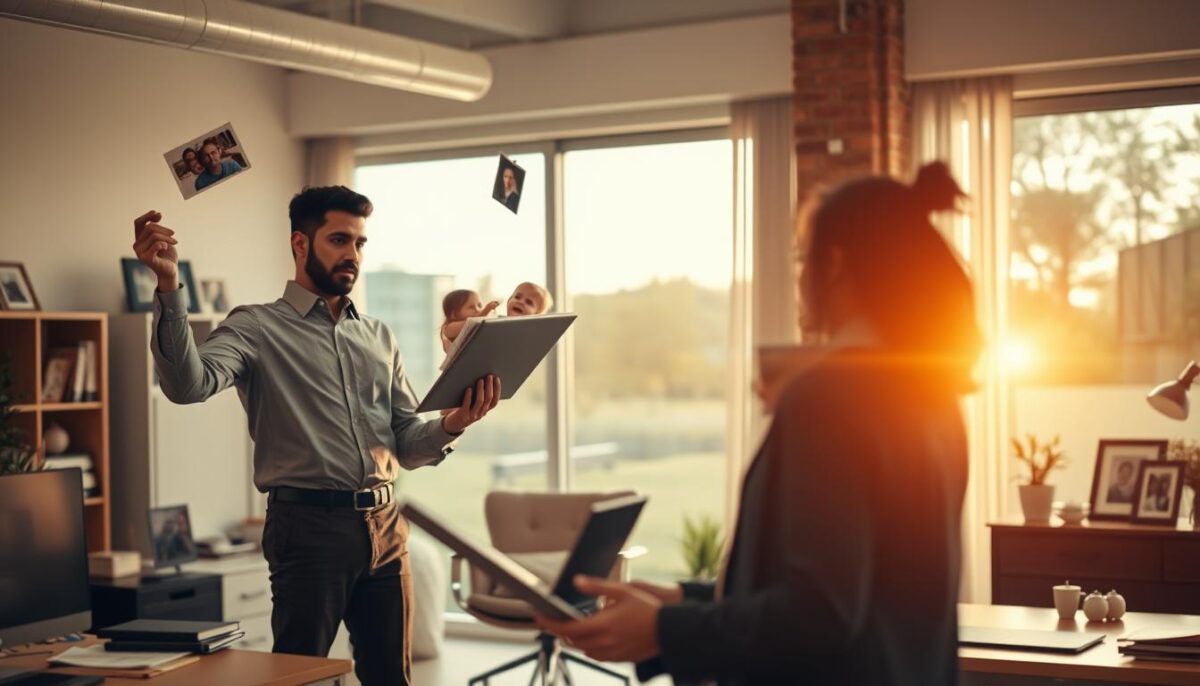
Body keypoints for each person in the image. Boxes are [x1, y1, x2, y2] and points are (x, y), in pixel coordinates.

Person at [537, 162, 980, 685]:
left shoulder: (830, 396)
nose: (799, 276)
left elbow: (820, 613)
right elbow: (869, 592)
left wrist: (664, 629)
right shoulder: (935, 396)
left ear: (835, 265)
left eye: (801, 257)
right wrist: (684, 600)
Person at [130, 186, 500, 686]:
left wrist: (454, 422)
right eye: (339, 240)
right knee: (300, 677)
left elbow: (407, 442)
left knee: (392, 679)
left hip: (387, 527)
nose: (353, 255)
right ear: (300, 244)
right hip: (307, 530)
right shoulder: (256, 326)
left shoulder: (378, 335)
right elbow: (186, 386)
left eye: (360, 243)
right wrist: (169, 284)